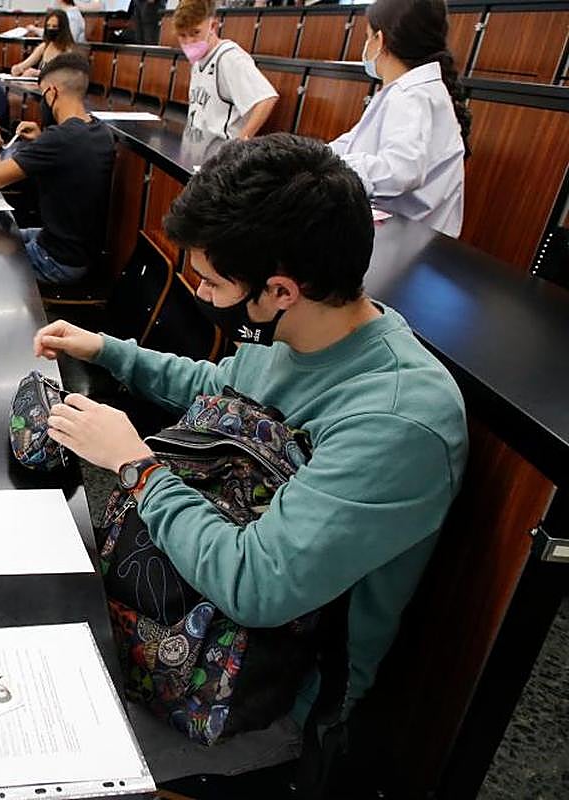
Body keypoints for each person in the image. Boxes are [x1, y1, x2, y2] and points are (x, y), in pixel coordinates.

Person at [33, 135, 467, 761]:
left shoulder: (399, 422)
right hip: (171, 609)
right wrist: (106, 350)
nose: (199, 294)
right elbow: (220, 386)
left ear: (281, 291)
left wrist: (135, 466)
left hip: (256, 700)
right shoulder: (297, 332)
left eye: (212, 282)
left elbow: (257, 583)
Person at [329, 0, 470, 238]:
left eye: (368, 37)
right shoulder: (411, 91)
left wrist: (338, 166)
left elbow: (401, 170)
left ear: (380, 40)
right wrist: (313, 155)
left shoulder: (411, 95)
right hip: (405, 234)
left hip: (407, 241)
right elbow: (351, 142)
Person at [0, 54, 114, 286]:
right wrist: (40, 138)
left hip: (56, 260)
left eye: (42, 94)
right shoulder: (100, 130)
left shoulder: (60, 138)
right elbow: (71, 156)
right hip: (73, 248)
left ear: (52, 92)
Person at [174, 0, 279, 142]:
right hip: (195, 145)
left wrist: (240, 143)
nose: (189, 41)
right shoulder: (198, 60)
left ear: (212, 26)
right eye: (182, 35)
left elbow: (267, 98)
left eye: (195, 33)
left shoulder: (229, 57)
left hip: (219, 149)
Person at [12, 10, 75, 78]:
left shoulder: (68, 50)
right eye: (48, 26)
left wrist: (37, 73)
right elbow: (26, 63)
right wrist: (18, 68)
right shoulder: (44, 46)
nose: (50, 29)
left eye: (54, 26)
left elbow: (62, 75)